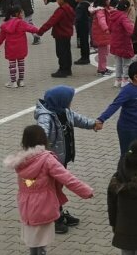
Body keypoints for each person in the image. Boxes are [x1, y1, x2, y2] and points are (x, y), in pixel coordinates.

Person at [3, 124, 93, 255]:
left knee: (33, 235)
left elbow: (28, 182)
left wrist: (35, 184)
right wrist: (85, 191)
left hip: (26, 203)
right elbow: (67, 178)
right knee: (42, 236)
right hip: (43, 203)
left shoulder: (21, 161)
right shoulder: (46, 159)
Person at [34, 85, 99, 232]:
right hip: (51, 162)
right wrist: (40, 157)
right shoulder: (46, 117)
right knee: (52, 190)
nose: (71, 102)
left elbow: (78, 119)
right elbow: (40, 137)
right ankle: (54, 218)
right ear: (60, 100)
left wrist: (92, 124)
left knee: (57, 188)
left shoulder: (64, 111)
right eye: (69, 99)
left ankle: (58, 212)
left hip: (62, 159)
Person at [0, 7, 39, 88]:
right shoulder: (21, 23)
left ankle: (13, 82)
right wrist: (40, 30)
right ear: (16, 14)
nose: (22, 14)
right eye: (21, 13)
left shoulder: (5, 24)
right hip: (21, 47)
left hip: (10, 48)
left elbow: (1, 37)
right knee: (21, 64)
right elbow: (31, 28)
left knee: (12, 65)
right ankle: (21, 81)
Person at [36, 0, 75, 79]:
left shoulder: (61, 11)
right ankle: (68, 69)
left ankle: (62, 70)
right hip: (67, 33)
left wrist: (40, 31)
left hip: (60, 34)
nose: (57, 1)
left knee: (61, 53)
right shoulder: (70, 8)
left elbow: (51, 21)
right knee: (67, 52)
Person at [109, 0, 136, 87]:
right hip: (124, 42)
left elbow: (109, 28)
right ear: (127, 8)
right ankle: (125, 80)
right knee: (127, 63)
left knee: (118, 62)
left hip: (115, 41)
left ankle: (118, 80)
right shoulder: (123, 17)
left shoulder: (112, 15)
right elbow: (130, 29)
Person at [89, 0, 114, 76]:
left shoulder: (103, 9)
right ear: (104, 0)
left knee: (104, 52)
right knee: (103, 53)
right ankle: (101, 70)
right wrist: (106, 28)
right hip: (101, 34)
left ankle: (103, 68)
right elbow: (101, 20)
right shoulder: (100, 11)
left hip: (102, 34)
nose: (109, 1)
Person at [72, 0, 92, 66]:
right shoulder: (87, 3)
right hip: (86, 25)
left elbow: (78, 17)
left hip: (82, 26)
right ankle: (85, 57)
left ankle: (84, 58)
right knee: (85, 42)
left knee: (83, 43)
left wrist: (74, 22)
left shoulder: (81, 6)